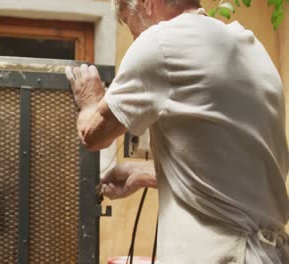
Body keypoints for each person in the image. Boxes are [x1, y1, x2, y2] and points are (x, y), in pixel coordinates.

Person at [65, 0, 289, 263]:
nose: (134, 36)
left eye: (128, 22)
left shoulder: (160, 44)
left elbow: (94, 136)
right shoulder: (249, 46)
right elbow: (236, 176)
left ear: (148, 3)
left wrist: (91, 100)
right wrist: (144, 173)